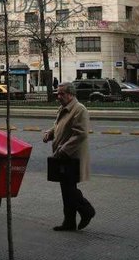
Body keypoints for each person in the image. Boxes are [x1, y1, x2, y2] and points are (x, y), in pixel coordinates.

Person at [42, 82, 95, 231]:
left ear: (71, 94)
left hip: (72, 157)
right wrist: (50, 133)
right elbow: (58, 126)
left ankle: (87, 210)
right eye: (57, 93)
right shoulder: (63, 108)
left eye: (62, 94)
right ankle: (69, 222)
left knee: (70, 189)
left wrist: (63, 150)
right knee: (66, 189)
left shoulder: (79, 109)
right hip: (63, 157)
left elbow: (81, 134)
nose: (58, 96)